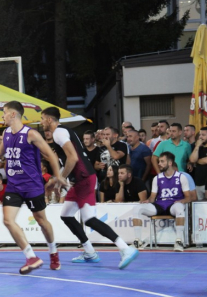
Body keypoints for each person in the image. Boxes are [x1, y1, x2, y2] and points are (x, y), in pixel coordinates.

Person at [0, 101, 67, 274]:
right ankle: (31, 256)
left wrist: (58, 177)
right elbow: (0, 152)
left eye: (4, 113)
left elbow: (51, 155)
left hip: (32, 185)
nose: (2, 116)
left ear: (13, 114)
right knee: (7, 220)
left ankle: (53, 252)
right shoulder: (6, 133)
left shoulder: (31, 134)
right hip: (14, 185)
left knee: (41, 221)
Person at [41, 107, 138, 269]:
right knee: (66, 215)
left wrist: (60, 178)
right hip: (79, 179)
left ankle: (125, 248)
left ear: (49, 120)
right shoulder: (63, 132)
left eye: (42, 118)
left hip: (83, 178)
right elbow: (71, 158)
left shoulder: (58, 132)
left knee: (89, 219)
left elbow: (72, 158)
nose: (42, 121)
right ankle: (90, 252)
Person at [132, 152, 190, 252]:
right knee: (137, 208)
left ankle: (179, 241)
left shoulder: (181, 177)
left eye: (162, 161)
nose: (159, 164)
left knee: (180, 208)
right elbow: (153, 197)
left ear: (170, 163)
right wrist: (147, 201)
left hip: (173, 205)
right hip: (159, 205)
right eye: (159, 161)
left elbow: (189, 197)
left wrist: (181, 201)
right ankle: (138, 241)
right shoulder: (157, 178)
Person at [189, 126, 207, 200]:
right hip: (198, 182)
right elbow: (192, 160)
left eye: (203, 135)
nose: (200, 137)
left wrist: (196, 161)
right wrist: (197, 147)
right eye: (200, 135)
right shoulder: (197, 147)